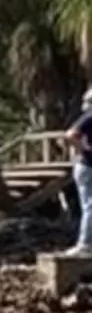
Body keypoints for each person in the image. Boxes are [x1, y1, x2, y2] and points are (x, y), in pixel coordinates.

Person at [65, 89, 92, 256]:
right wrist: (85, 149)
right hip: (86, 166)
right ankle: (85, 244)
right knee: (90, 205)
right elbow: (70, 135)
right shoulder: (89, 117)